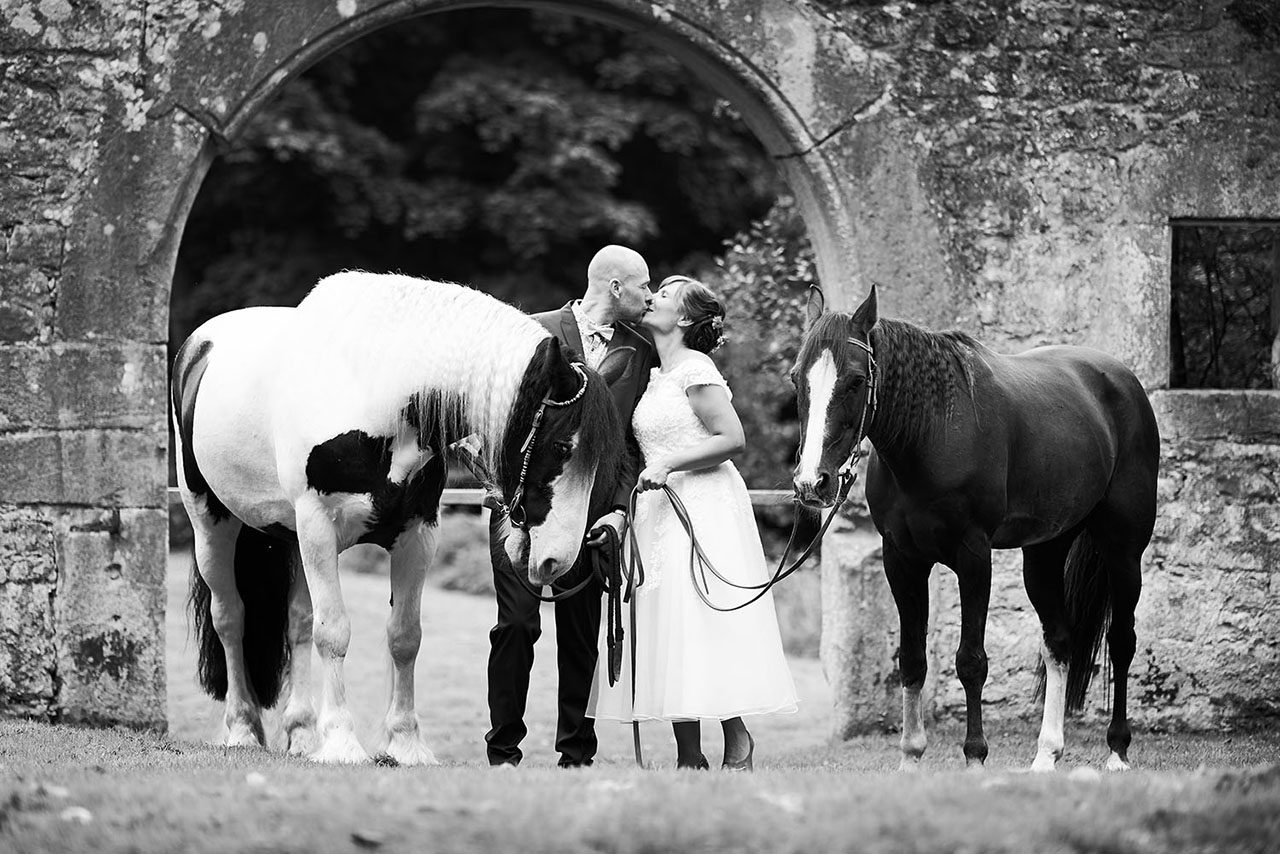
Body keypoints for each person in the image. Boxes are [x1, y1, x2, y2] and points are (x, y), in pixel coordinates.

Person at [588, 275, 799, 771]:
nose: (653, 296)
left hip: (702, 506)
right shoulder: (656, 372)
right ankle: (688, 754)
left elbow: (733, 438)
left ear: (683, 318)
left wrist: (668, 464)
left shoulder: (695, 368)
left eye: (663, 293)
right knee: (667, 623)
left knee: (702, 621)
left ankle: (738, 739)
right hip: (658, 510)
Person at [485, 245, 656, 768]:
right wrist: (497, 484)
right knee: (516, 626)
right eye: (644, 285)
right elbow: (494, 419)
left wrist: (620, 510)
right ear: (615, 287)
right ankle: (502, 752)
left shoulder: (642, 350)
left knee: (580, 636)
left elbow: (633, 443)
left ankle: (576, 755)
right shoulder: (530, 331)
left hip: (592, 512)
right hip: (524, 506)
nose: (650, 296)